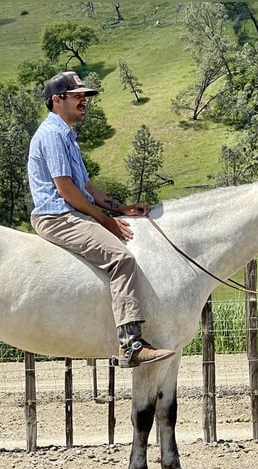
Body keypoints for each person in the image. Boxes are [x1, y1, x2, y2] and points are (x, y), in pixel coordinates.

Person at [27, 70, 174, 368]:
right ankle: (131, 345)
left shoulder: (68, 136)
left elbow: (87, 187)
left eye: (85, 96)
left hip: (70, 212)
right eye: (77, 96)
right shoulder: (54, 135)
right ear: (57, 100)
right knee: (122, 259)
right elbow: (66, 189)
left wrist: (120, 209)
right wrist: (105, 221)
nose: (84, 101)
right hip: (57, 216)